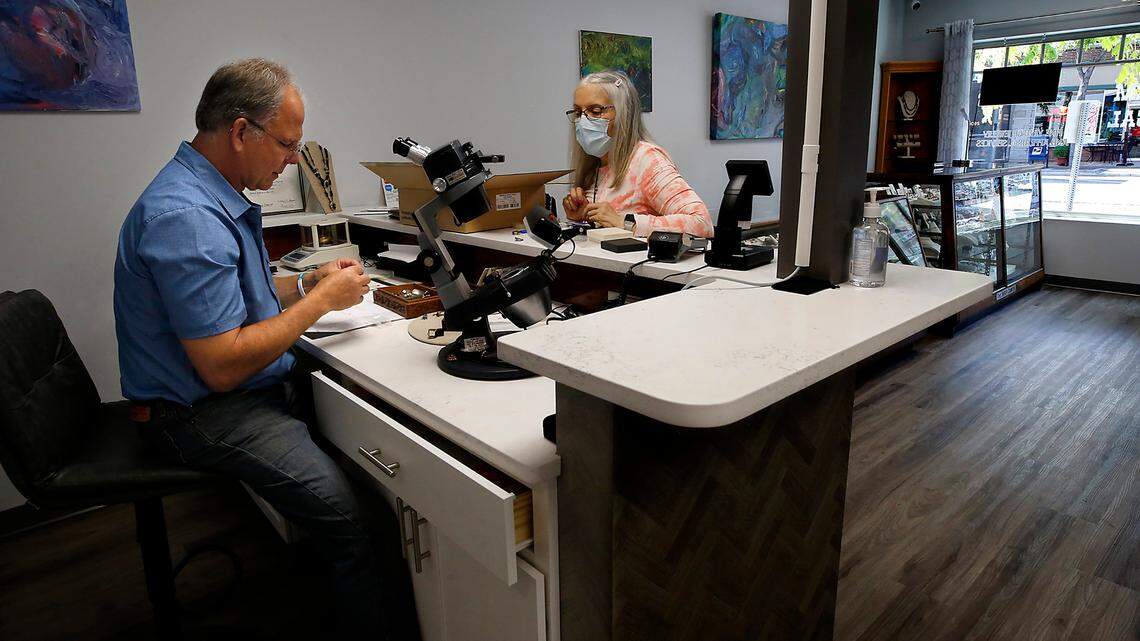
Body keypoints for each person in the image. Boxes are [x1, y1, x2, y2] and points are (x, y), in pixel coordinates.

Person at [113, 58, 418, 639]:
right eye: (286, 143)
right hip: (200, 413)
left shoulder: (205, 192)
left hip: (219, 394)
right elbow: (224, 363)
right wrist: (320, 304)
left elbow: (238, 291)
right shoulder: (187, 217)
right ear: (239, 131)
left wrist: (304, 282)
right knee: (362, 526)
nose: (293, 160)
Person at [562, 70, 714, 238]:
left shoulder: (647, 160)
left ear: (624, 114)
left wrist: (624, 222)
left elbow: (702, 223)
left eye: (596, 111)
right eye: (578, 113)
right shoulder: (595, 164)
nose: (583, 122)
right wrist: (584, 217)